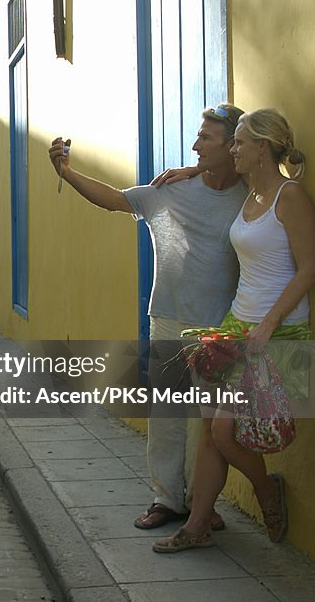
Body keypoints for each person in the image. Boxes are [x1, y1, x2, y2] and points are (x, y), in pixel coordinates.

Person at [49, 103, 246, 532]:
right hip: (168, 318)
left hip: (219, 327)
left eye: (206, 138)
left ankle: (201, 505)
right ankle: (167, 500)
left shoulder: (251, 193)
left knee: (206, 427)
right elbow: (116, 200)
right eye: (198, 135)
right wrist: (66, 172)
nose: (195, 145)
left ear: (234, 146)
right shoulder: (170, 189)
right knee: (167, 416)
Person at [153, 108, 315, 553]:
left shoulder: (290, 196)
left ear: (262, 147)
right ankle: (198, 526)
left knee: (224, 432)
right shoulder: (248, 191)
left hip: (275, 331)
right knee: (211, 430)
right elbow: (218, 170)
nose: (233, 149)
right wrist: (193, 168)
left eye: (240, 143)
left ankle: (265, 490)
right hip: (234, 326)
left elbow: (307, 270)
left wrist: (268, 324)